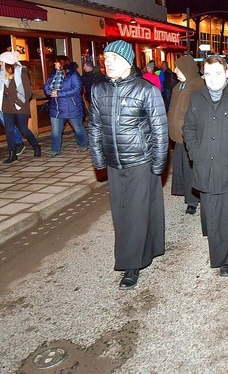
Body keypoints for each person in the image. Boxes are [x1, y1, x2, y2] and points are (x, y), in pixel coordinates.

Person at [88, 40, 168, 290]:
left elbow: (159, 130)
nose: (108, 62)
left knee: (133, 213)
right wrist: (99, 159)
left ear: (127, 61)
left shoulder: (146, 89)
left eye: (114, 58)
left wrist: (158, 163)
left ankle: (130, 265)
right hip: (114, 161)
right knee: (122, 211)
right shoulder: (98, 89)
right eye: (106, 58)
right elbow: (94, 126)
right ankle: (151, 246)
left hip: (140, 161)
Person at [183, 55, 228, 277]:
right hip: (205, 165)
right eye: (207, 74)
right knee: (212, 212)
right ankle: (222, 251)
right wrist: (195, 151)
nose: (212, 78)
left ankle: (226, 259)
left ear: (227, 73)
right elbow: (188, 128)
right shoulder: (196, 99)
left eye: (217, 73)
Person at [168, 55, 205, 215]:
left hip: (191, 137)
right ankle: (188, 194)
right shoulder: (179, 87)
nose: (175, 70)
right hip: (178, 137)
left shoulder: (198, 86)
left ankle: (193, 200)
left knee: (191, 169)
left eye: (178, 67)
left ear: (186, 69)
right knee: (182, 168)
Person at [0, 51, 41, 164]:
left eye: (2, 62)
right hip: (7, 106)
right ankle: (12, 154)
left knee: (24, 129)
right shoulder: (1, 75)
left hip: (20, 105)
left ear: (7, 63)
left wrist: (19, 103)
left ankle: (36, 146)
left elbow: (27, 92)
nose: (0, 64)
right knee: (9, 130)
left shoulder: (21, 73)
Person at [43, 56, 89, 157]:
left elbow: (77, 89)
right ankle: (55, 150)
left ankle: (83, 144)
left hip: (71, 107)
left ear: (62, 63)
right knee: (55, 130)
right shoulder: (53, 75)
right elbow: (46, 86)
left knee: (77, 128)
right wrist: (50, 91)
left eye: (57, 62)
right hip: (56, 108)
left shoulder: (73, 75)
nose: (54, 64)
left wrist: (59, 94)